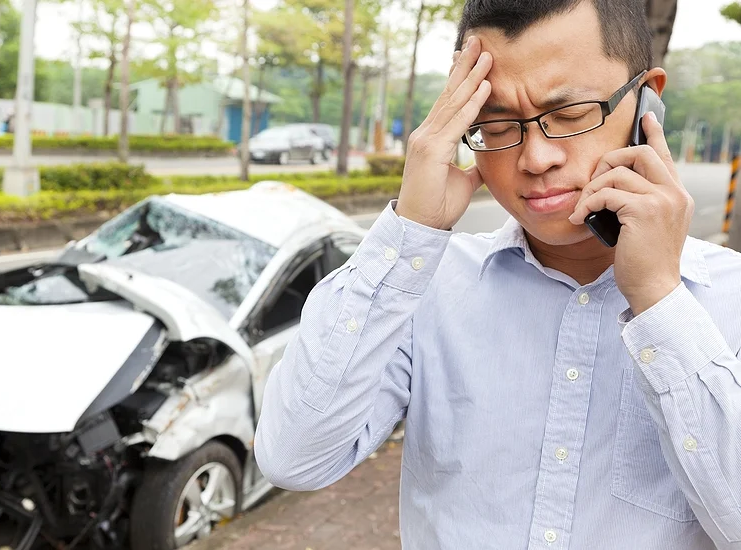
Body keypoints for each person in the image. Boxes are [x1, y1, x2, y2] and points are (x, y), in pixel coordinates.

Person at [253, 0, 741, 548]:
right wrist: (409, 232)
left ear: (648, 99)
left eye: (572, 114)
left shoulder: (731, 300)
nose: (536, 158)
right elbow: (294, 457)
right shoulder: (423, 288)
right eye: (495, 125)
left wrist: (659, 301)